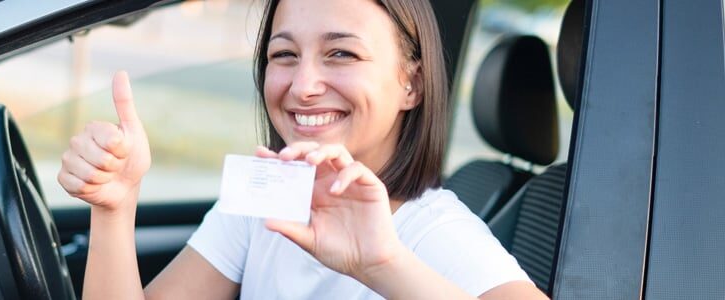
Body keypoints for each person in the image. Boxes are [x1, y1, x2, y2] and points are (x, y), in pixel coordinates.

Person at [58, 0, 549, 299]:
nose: (303, 85)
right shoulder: (266, 198)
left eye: (342, 53)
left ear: (411, 85)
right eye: (284, 55)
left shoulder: (435, 230)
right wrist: (115, 208)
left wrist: (381, 266)